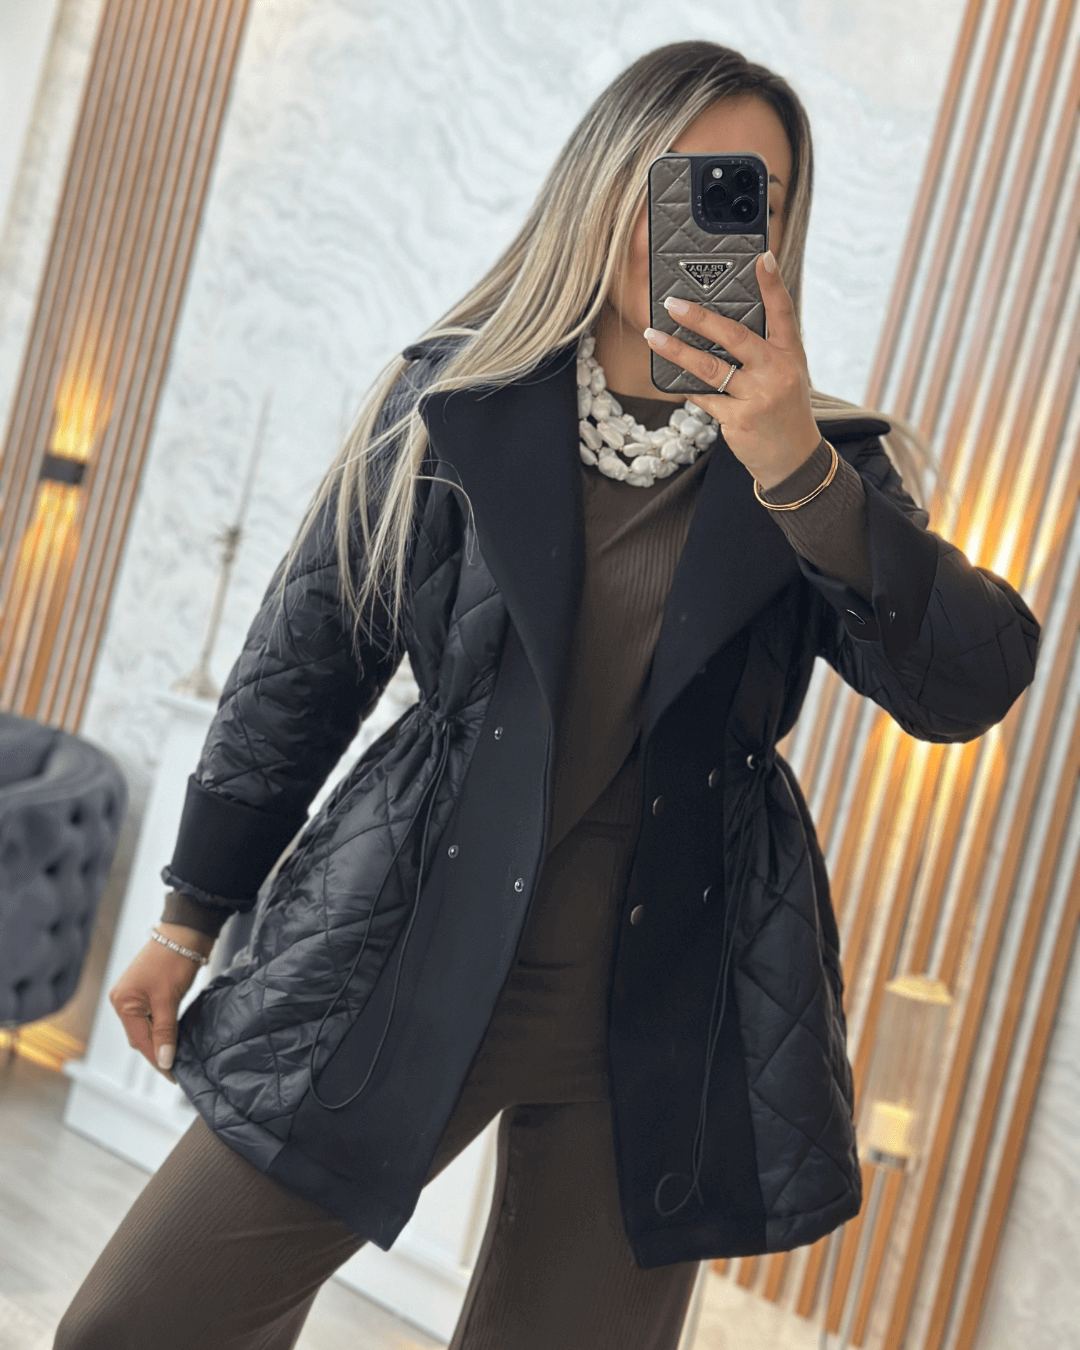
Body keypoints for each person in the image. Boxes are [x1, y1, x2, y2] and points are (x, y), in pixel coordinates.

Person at [56, 39, 1039, 1350]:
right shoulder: (450, 403)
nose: (699, 221)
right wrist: (189, 915)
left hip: (661, 1015)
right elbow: (303, 668)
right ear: (604, 181)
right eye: (676, 179)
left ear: (776, 236)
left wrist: (795, 469)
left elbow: (972, 683)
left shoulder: (825, 465)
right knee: (135, 1324)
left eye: (745, 195)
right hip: (401, 947)